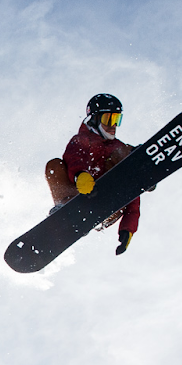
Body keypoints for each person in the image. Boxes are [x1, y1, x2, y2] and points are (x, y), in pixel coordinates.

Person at [44, 93, 139, 255]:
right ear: (95, 119)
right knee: (54, 165)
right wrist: (79, 174)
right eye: (108, 119)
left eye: (117, 120)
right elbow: (74, 157)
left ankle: (91, 216)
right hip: (79, 197)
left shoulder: (119, 148)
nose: (113, 125)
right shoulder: (81, 139)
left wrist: (128, 228)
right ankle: (66, 210)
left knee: (123, 154)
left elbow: (133, 191)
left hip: (107, 205)